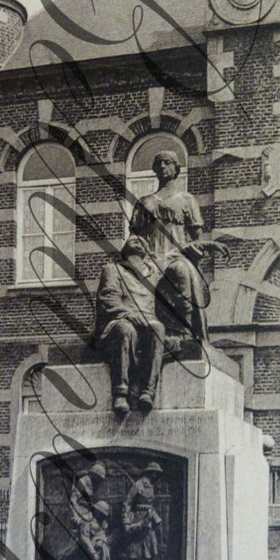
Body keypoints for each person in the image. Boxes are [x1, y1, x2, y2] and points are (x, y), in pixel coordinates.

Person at [129, 150, 210, 344]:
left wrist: (192, 250)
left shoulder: (187, 199)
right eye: (159, 164)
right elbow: (134, 235)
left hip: (176, 255)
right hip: (150, 256)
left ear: (176, 168)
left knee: (181, 272)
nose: (162, 167)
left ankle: (184, 330)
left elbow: (196, 237)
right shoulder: (145, 202)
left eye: (167, 163)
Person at [94, 235, 165, 416]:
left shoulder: (155, 274)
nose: (137, 239)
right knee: (125, 330)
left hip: (148, 323)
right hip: (118, 320)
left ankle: (147, 393)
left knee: (158, 329)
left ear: (147, 252)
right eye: (132, 240)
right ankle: (120, 393)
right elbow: (108, 299)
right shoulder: (113, 269)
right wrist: (129, 314)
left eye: (141, 240)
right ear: (125, 249)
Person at [120, 462, 164, 560]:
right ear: (150, 472)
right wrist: (126, 521)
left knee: (150, 541)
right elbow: (127, 502)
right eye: (155, 473)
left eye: (157, 474)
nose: (156, 476)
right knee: (135, 544)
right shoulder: (138, 485)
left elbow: (150, 505)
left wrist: (156, 518)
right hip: (137, 518)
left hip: (148, 518)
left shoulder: (152, 486)